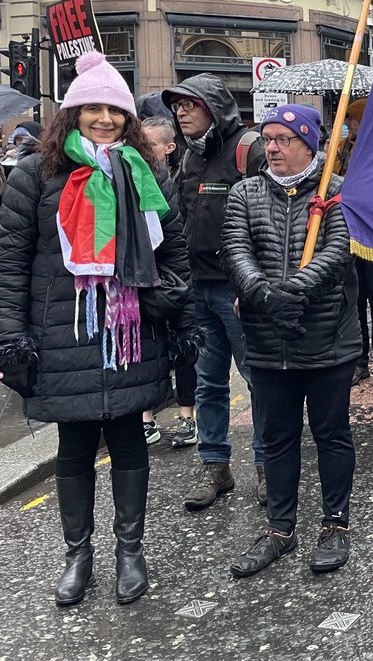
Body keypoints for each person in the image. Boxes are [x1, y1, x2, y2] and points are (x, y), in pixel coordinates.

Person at [0, 52, 191, 606]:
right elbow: (12, 261)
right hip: (65, 330)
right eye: (92, 107)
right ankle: (77, 554)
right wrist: (11, 336)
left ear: (127, 118)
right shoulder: (36, 173)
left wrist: (169, 303)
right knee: (75, 443)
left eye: (114, 109)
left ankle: (130, 551)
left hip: (133, 329)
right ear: (73, 112)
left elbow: (173, 250)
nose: (103, 118)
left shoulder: (144, 171)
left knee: (131, 438)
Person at [221, 104, 361, 577]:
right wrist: (263, 294)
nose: (273, 147)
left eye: (284, 138)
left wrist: (296, 289)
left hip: (325, 338)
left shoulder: (336, 191)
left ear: (310, 143)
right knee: (276, 437)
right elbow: (236, 249)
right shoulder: (245, 192)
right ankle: (280, 529)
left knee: (331, 434)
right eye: (268, 137)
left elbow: (339, 250)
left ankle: (335, 524)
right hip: (266, 339)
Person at [162, 74, 267, 511]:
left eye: (191, 104)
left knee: (257, 380)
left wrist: (256, 283)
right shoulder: (188, 155)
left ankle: (266, 467)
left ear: (215, 106)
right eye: (178, 106)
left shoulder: (249, 148)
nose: (181, 112)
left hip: (237, 290)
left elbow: (269, 219)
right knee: (207, 383)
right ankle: (216, 467)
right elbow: (183, 218)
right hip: (197, 287)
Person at [137, 116, 198, 450]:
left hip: (180, 274)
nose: (141, 148)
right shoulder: (131, 175)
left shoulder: (184, 176)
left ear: (168, 147)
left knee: (185, 347)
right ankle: (146, 420)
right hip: (147, 279)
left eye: (148, 143)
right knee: (148, 350)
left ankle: (187, 415)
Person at [332, 98, 373, 389]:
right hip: (346, 234)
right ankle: (359, 361)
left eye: (352, 120)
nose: (347, 125)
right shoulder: (340, 149)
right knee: (353, 301)